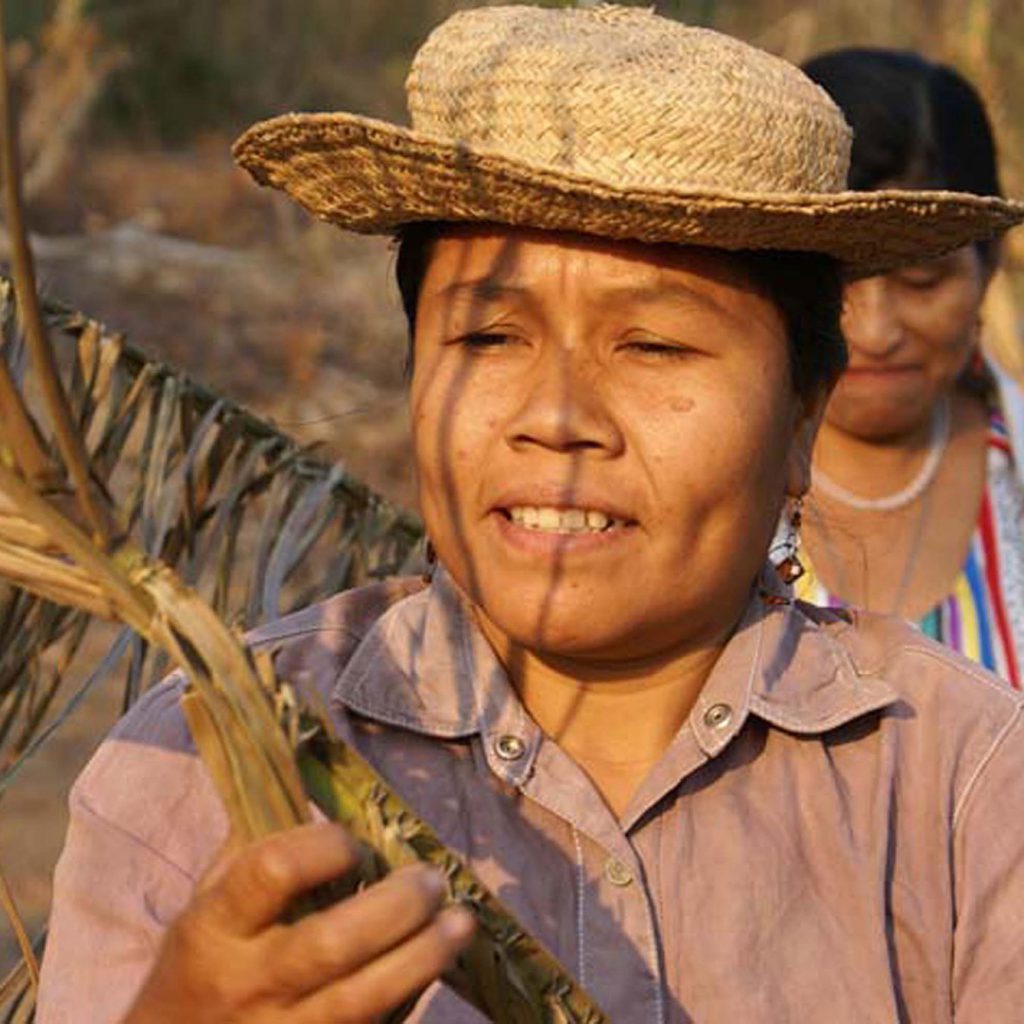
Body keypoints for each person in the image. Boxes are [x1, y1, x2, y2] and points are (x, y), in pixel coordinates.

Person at [36, 6, 1024, 1023]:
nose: (557, 420)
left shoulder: (967, 785)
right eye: (489, 337)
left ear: (802, 419)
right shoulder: (202, 763)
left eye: (654, 347)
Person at [797, 48, 1024, 686]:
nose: (874, 332)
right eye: (835, 285)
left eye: (922, 281)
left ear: (988, 265)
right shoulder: (705, 481)